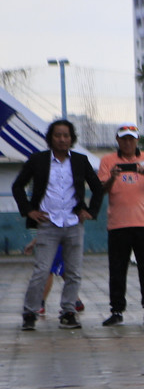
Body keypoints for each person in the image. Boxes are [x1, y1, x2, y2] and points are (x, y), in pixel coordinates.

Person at [12, 119, 103, 331]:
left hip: (73, 222)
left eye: (66, 135)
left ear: (72, 139)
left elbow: (97, 188)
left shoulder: (80, 160)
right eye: (58, 135)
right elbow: (18, 186)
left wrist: (90, 211)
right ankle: (30, 312)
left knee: (74, 272)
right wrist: (29, 210)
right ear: (50, 138)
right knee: (42, 270)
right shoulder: (38, 160)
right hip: (48, 223)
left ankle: (68, 312)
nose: (62, 139)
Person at [97, 124, 144, 326]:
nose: (128, 142)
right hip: (118, 224)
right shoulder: (108, 160)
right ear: (117, 140)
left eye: (131, 138)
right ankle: (117, 310)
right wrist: (113, 177)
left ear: (137, 140)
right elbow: (101, 190)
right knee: (117, 269)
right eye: (124, 139)